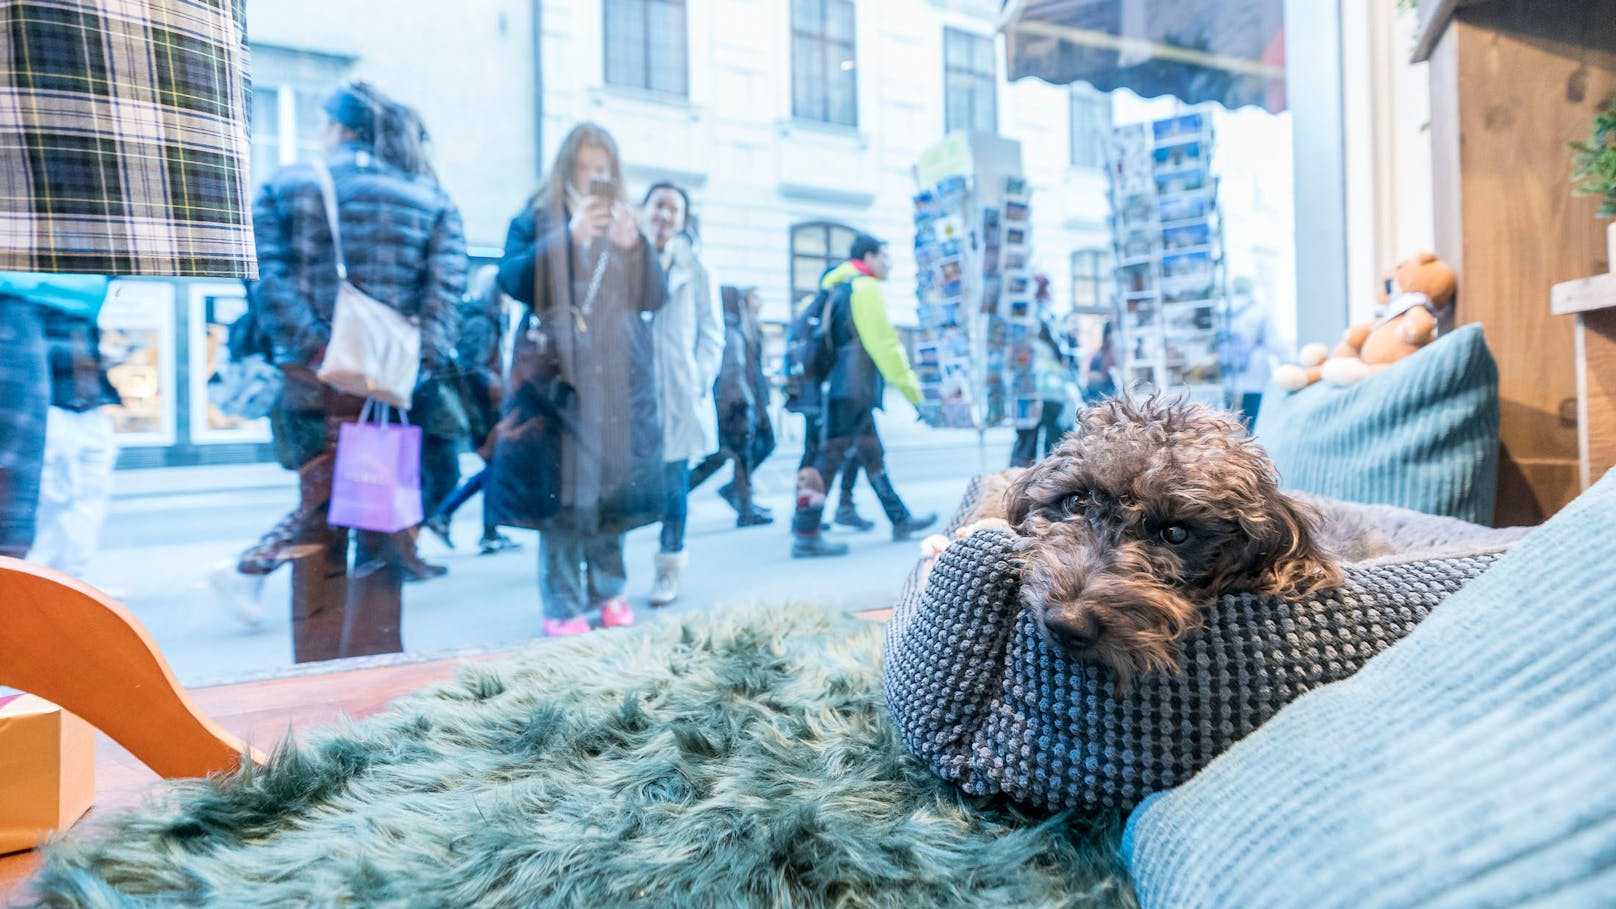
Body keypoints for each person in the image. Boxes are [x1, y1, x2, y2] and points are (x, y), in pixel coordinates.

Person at [220, 81, 467, 662]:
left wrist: (312, 348)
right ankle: (375, 675)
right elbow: (446, 294)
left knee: (318, 534)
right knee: (380, 524)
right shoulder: (429, 197)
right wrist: (413, 361)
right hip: (389, 388)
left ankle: (316, 675)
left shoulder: (288, 183)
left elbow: (263, 275)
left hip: (313, 386)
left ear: (337, 127)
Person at [488, 122, 666, 636]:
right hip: (556, 383)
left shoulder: (624, 222)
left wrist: (635, 249)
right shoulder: (537, 217)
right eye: (586, 168)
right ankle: (562, 602)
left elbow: (653, 298)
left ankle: (611, 590)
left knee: (612, 492)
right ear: (567, 168)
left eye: (603, 170)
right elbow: (512, 279)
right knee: (561, 501)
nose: (595, 179)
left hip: (616, 380)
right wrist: (568, 237)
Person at [790, 234, 937, 557]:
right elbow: (884, 345)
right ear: (869, 257)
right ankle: (806, 529)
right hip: (854, 386)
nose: (888, 264)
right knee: (829, 457)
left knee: (872, 452)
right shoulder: (864, 288)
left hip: (843, 386)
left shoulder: (837, 286)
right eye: (884, 256)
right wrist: (914, 393)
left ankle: (900, 518)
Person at [642, 182, 724, 607]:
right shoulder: (626, 261)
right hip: (633, 397)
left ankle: (667, 570)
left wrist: (697, 381)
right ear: (644, 210)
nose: (665, 216)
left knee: (674, 486)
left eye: (674, 209)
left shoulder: (698, 269)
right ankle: (605, 577)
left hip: (677, 393)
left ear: (682, 218)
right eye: (659, 206)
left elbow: (712, 335)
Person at [0, 273, 109, 561]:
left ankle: (53, 589)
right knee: (18, 483)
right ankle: (19, 586)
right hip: (16, 298)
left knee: (81, 474)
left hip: (74, 313)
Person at [424, 264, 520, 556]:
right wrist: (497, 386)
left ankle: (470, 524)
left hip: (485, 410)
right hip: (482, 412)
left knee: (496, 467)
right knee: (496, 466)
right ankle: (468, 524)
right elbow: (470, 367)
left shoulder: (487, 320)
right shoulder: (481, 322)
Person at [30, 304, 120, 575]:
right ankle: (39, 577)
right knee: (50, 497)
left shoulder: (83, 305)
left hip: (86, 407)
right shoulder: (30, 297)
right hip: (51, 407)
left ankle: (70, 579)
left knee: (90, 494)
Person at [689, 286, 776, 527]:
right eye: (754, 298)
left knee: (726, 459)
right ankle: (744, 508)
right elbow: (733, 376)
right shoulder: (733, 332)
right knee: (733, 458)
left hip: (736, 407)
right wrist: (745, 407)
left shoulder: (738, 328)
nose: (759, 302)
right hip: (735, 410)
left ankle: (742, 503)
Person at [1010, 314, 1076, 469]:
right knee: (1055, 446)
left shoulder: (1027, 347)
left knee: (1026, 444)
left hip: (1031, 395)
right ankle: (1055, 477)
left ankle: (1019, 478)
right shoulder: (1052, 347)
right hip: (1056, 397)